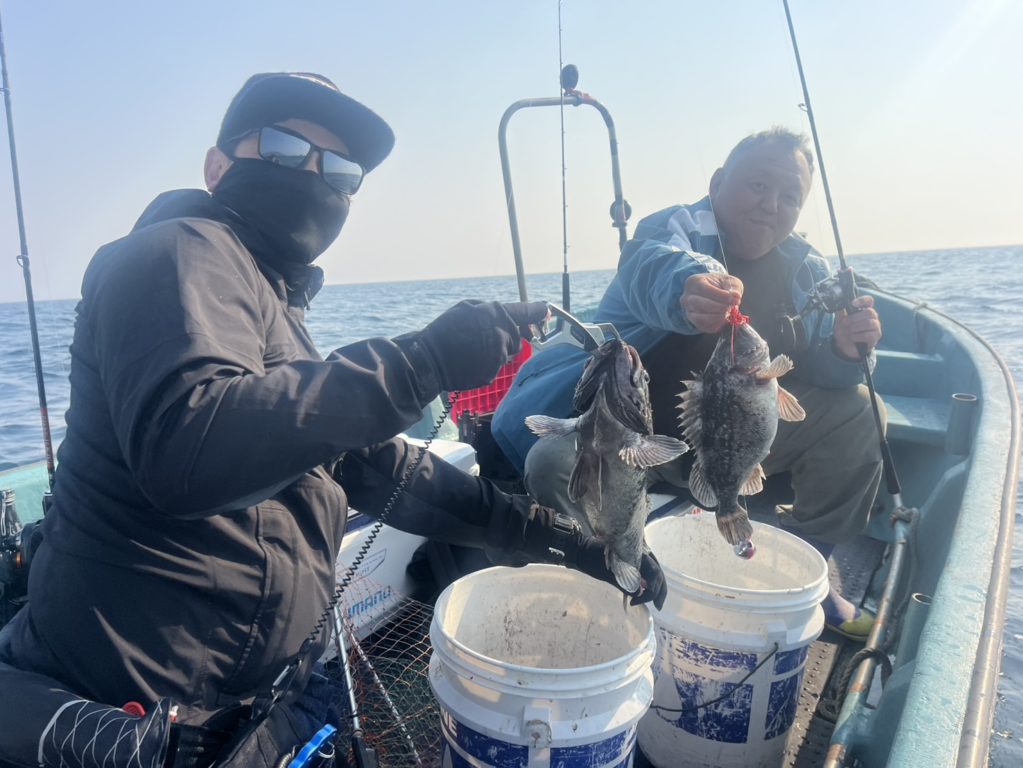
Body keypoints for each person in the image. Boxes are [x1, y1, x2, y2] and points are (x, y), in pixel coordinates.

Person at [0, 72, 665, 768]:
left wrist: (556, 537)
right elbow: (188, 451)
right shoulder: (172, 252)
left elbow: (374, 467)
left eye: (341, 171)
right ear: (217, 166)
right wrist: (421, 364)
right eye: (286, 149)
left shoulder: (269, 300)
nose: (314, 176)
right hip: (139, 722)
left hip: (257, 710)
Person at [492, 127, 884, 641]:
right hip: (627, 439)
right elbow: (649, 265)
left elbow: (817, 367)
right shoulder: (672, 229)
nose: (771, 205)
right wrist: (687, 288)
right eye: (758, 185)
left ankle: (810, 572)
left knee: (861, 413)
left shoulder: (806, 269)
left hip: (734, 444)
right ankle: (610, 575)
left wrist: (846, 352)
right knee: (550, 463)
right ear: (718, 182)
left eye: (790, 196)